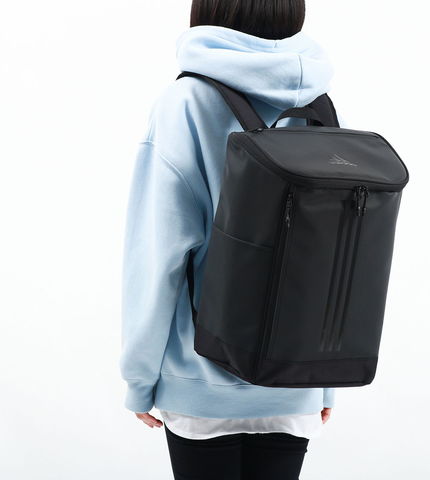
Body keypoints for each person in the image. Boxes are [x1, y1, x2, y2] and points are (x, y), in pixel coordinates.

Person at [119, 1, 348, 478]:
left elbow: (157, 256)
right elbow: (331, 250)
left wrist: (139, 379)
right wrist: (324, 378)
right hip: (295, 378)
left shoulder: (185, 103)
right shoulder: (320, 105)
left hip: (200, 381)